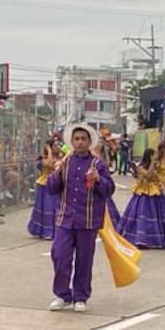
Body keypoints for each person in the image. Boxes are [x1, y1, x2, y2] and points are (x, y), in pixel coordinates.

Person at [41, 124, 114, 312]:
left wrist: (98, 179)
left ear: (89, 142)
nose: (80, 142)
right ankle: (62, 294)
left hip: (87, 220)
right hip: (65, 218)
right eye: (77, 139)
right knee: (59, 254)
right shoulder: (65, 161)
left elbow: (109, 190)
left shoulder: (98, 164)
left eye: (83, 139)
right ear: (72, 142)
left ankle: (80, 296)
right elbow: (51, 188)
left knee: (84, 260)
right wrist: (55, 173)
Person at [118, 148, 165, 249]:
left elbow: (157, 177)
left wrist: (162, 186)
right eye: (154, 155)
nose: (156, 157)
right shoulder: (140, 166)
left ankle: (154, 239)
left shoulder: (156, 166)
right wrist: (152, 163)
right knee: (141, 216)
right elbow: (148, 175)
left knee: (155, 217)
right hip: (143, 192)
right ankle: (139, 239)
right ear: (150, 156)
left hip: (154, 192)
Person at [27, 137, 61, 240]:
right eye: (55, 145)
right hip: (44, 185)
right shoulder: (43, 157)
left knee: (55, 208)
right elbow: (49, 164)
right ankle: (46, 232)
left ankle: (55, 231)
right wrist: (48, 150)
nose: (58, 147)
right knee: (47, 207)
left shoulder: (60, 157)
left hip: (55, 185)